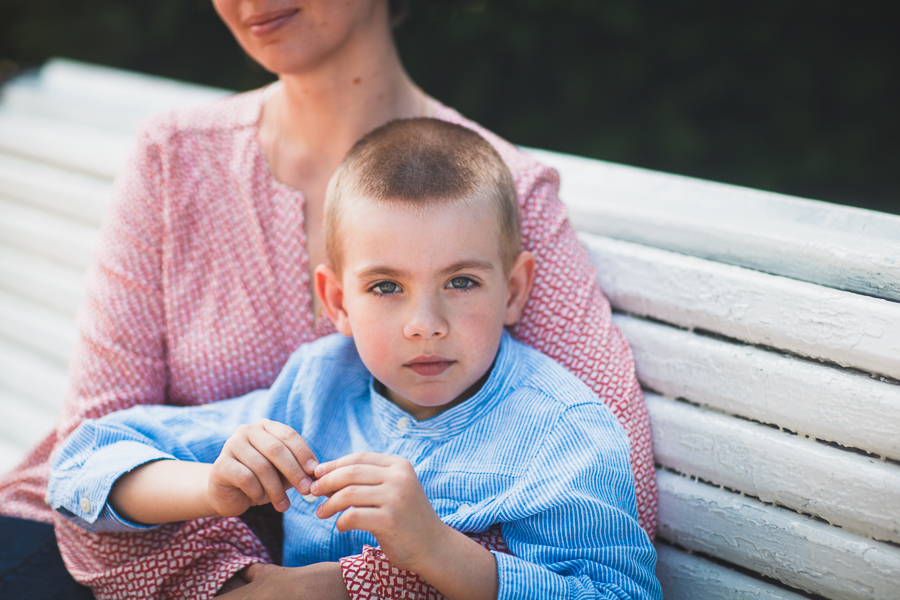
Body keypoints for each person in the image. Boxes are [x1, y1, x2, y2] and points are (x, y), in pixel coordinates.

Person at [0, 1, 656, 598]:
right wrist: (232, 579)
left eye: (459, 282)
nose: (423, 325)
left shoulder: (499, 194)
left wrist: (349, 583)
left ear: (513, 287)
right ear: (335, 300)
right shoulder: (176, 161)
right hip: (94, 553)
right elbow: (87, 455)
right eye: (384, 287)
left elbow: (611, 517)